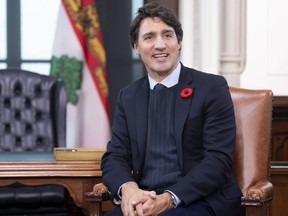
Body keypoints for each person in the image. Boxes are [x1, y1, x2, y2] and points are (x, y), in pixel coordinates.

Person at [101, 2, 245, 216]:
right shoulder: (129, 96)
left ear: (179, 42)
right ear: (136, 47)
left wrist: (169, 198)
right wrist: (129, 189)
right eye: (149, 37)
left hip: (198, 201)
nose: (160, 45)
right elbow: (115, 156)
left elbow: (217, 161)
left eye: (167, 35)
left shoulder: (211, 88)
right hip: (145, 201)